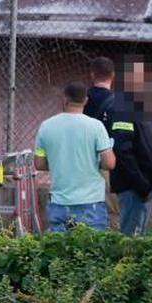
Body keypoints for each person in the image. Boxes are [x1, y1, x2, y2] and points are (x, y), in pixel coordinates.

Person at [34, 81, 116, 231]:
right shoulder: (96, 126)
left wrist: (58, 161)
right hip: (91, 202)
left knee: (58, 250)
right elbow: (109, 163)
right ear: (85, 100)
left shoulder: (46, 126)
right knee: (91, 250)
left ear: (64, 99)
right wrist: (92, 162)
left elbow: (39, 163)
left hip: (59, 202)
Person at [109, 60, 152, 236]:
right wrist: (141, 183)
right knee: (131, 238)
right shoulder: (123, 110)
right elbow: (122, 150)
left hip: (145, 186)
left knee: (139, 236)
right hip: (132, 187)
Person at [85, 57, 120, 230]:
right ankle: (115, 248)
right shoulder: (118, 103)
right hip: (107, 162)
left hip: (82, 161)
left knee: (84, 207)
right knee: (112, 210)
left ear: (92, 75)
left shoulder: (80, 100)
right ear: (113, 76)